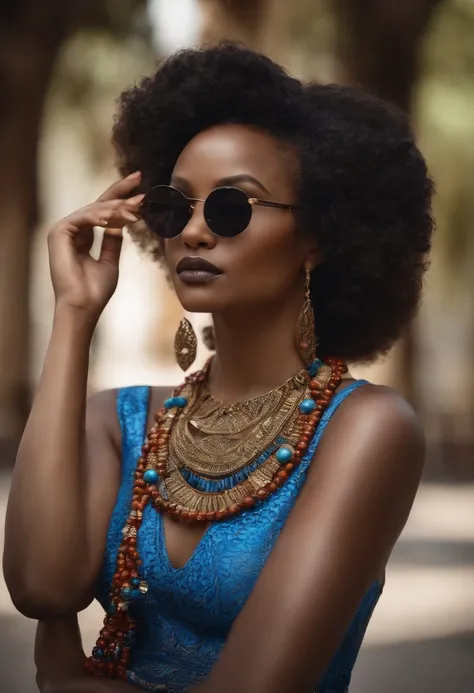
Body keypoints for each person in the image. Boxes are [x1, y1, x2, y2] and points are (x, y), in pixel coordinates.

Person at [3, 42, 433, 693]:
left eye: (231, 207)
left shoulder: (366, 429)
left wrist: (69, 683)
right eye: (176, 207)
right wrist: (74, 313)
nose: (195, 232)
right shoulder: (120, 421)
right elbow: (40, 584)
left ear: (317, 237)